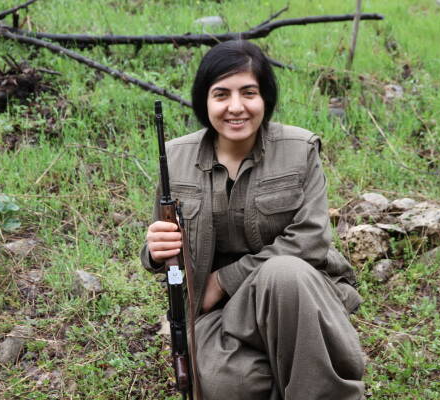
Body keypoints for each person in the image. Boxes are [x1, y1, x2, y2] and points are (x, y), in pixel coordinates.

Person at [141, 40, 364, 400]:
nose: (236, 107)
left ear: (265, 99)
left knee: (283, 273)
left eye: (248, 93)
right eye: (221, 95)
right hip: (216, 311)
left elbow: (310, 240)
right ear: (204, 101)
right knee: (228, 386)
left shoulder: (300, 150)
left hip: (295, 295)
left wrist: (224, 280)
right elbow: (167, 249)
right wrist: (154, 252)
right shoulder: (176, 159)